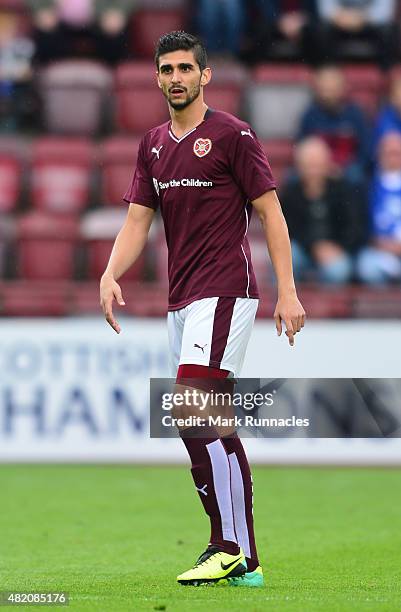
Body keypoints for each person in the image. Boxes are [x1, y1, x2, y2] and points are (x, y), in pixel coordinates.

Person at [99, 31, 305, 587]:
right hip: (181, 299)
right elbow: (138, 220)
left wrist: (287, 289)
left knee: (193, 404)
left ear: (205, 76)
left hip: (226, 289)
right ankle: (246, 561)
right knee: (197, 420)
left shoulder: (234, 135)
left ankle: (227, 545)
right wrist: (111, 272)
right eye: (166, 69)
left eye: (185, 68)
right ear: (158, 78)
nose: (175, 78)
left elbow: (271, 214)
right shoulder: (153, 144)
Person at [282, 137, 367, 283]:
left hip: (338, 249)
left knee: (338, 270)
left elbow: (355, 226)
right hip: (305, 248)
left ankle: (332, 305)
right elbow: (288, 229)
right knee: (285, 258)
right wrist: (315, 247)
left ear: (328, 164)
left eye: (317, 165)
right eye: (308, 165)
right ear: (299, 167)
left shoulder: (344, 189)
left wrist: (338, 248)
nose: (313, 171)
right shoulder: (290, 193)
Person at [297, 65, 370, 184]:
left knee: (357, 175)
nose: (329, 93)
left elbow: (365, 150)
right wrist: (322, 167)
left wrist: (343, 168)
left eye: (332, 87)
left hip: (348, 169)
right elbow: (301, 147)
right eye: (325, 88)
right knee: (293, 178)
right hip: (316, 168)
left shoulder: (355, 114)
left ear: (343, 88)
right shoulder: (310, 115)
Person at [26, 0, 136, 65]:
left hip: (101, 23)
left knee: (116, 39)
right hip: (58, 25)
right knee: (44, 38)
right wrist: (41, 10)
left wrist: (119, 12)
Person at [357, 132, 401, 284]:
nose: (392, 158)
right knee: (367, 268)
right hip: (378, 249)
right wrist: (378, 242)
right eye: (388, 153)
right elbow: (359, 223)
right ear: (379, 155)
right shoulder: (367, 187)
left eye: (396, 153)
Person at [314, 0, 398, 69]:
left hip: (368, 23)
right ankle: (329, 72)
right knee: (321, 29)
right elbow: (325, 9)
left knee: (389, 30)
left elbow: (385, 12)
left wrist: (361, 17)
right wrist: (341, 17)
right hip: (339, 22)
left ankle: (387, 75)